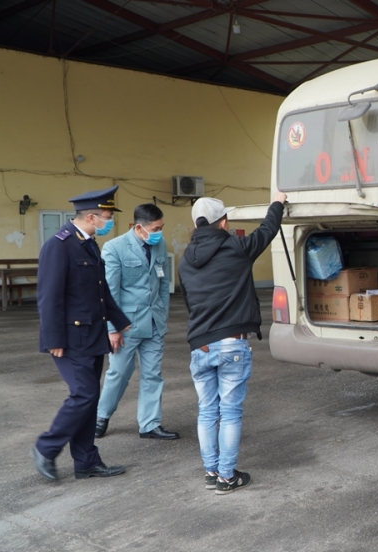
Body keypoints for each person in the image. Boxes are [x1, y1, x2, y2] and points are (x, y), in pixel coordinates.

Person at [178, 193, 286, 494]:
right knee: (230, 412)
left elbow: (189, 302)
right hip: (231, 344)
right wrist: (277, 203)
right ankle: (227, 476)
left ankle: (212, 471)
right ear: (223, 222)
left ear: (196, 225)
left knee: (207, 411)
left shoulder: (185, 260)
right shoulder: (237, 247)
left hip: (199, 345)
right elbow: (267, 230)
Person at [32, 185, 132, 482]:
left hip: (92, 335)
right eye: (107, 217)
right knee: (84, 395)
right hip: (70, 338)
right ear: (91, 217)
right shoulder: (59, 245)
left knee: (90, 398)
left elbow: (100, 292)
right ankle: (46, 448)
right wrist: (53, 339)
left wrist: (119, 320)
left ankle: (86, 461)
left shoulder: (89, 244)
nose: (109, 222)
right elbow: (49, 297)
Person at [95, 204, 178, 440]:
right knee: (119, 373)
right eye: (155, 229)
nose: (159, 232)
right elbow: (110, 292)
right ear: (139, 227)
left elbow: (163, 284)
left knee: (153, 374)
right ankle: (101, 416)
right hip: (126, 325)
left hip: (154, 323)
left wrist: (163, 316)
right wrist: (112, 328)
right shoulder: (115, 248)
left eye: (161, 228)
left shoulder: (159, 244)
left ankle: (150, 424)